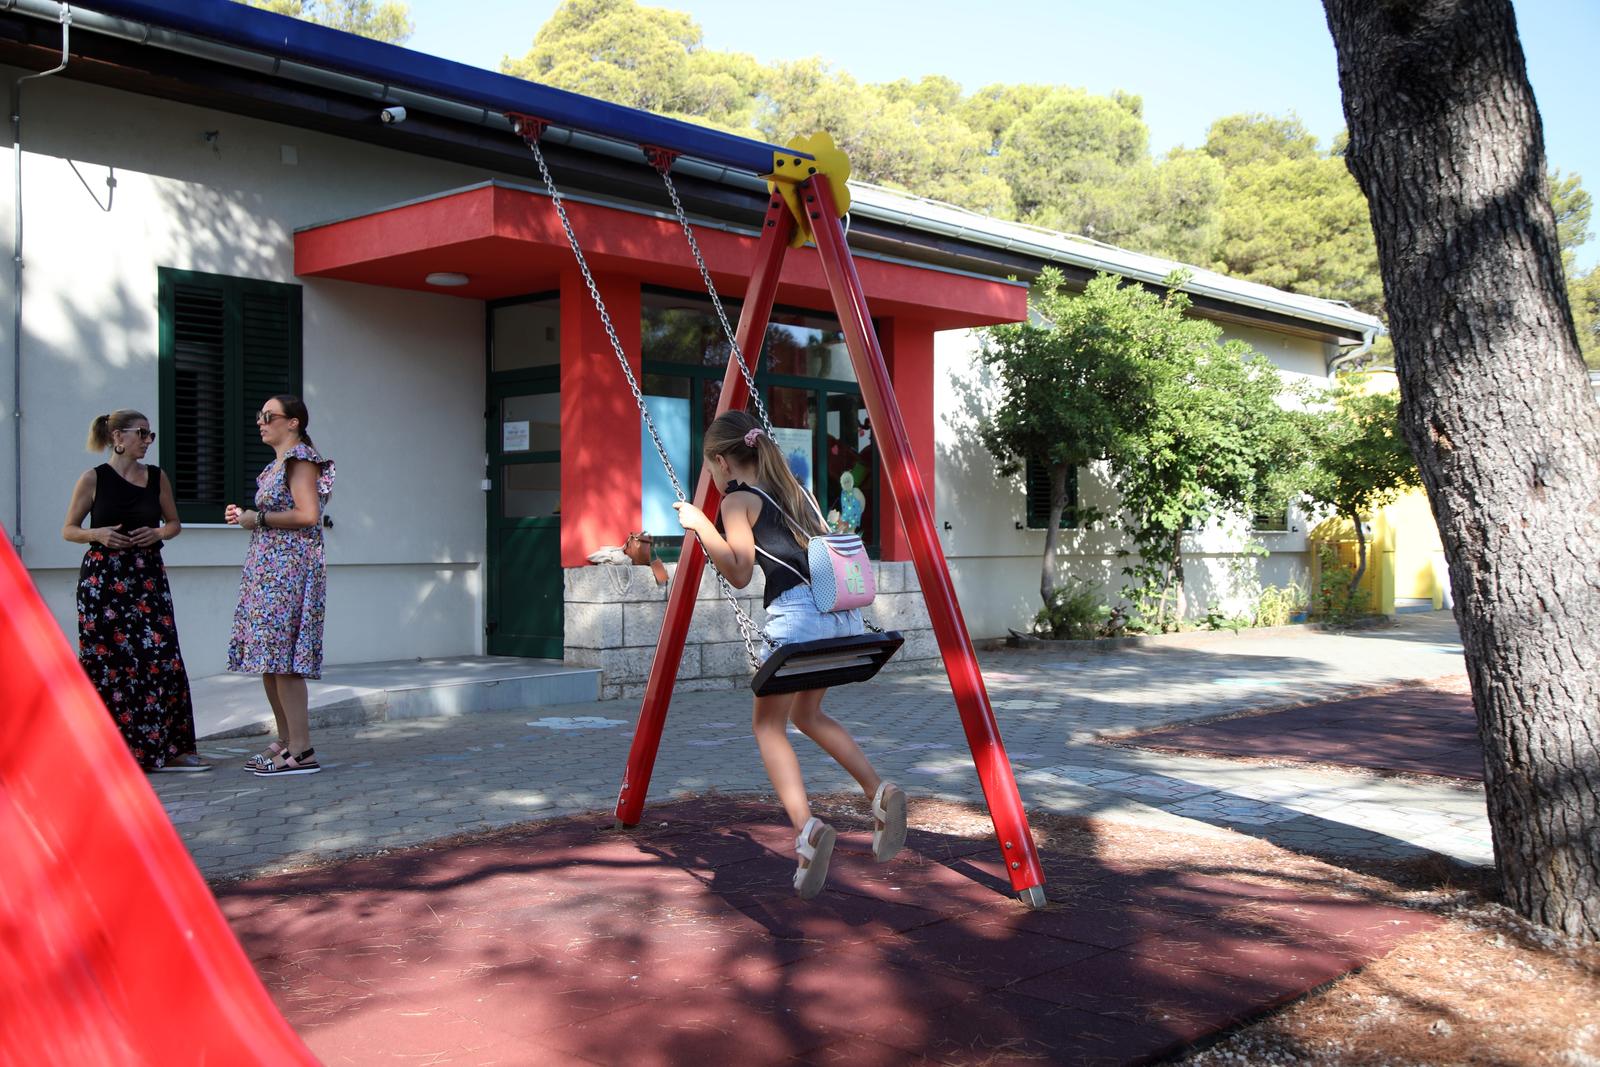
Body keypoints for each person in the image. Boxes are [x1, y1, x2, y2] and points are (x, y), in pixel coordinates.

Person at [674, 410, 907, 900]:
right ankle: (877, 792)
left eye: (710, 468)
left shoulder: (737, 499)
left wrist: (700, 525)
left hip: (796, 617)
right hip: (837, 613)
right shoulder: (794, 490)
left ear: (721, 460)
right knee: (809, 712)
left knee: (767, 726)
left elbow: (738, 572)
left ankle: (807, 829)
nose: (712, 478)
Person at [62, 409, 209, 773]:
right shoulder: (92, 479)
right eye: (141, 433)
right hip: (104, 582)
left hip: (147, 579)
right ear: (117, 437)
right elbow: (68, 529)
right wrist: (96, 534)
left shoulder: (157, 478)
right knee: (107, 662)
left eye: (150, 435)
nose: (147, 440)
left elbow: (174, 523)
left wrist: (158, 533)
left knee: (161, 657)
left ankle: (172, 749)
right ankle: (107, 751)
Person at [225, 395, 335, 777]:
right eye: (259, 415)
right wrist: (247, 517)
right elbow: (272, 515)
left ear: (294, 423)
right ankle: (287, 741)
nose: (261, 422)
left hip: (289, 572)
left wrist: (259, 519)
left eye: (269, 416)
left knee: (285, 661)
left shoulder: (299, 459)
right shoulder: (278, 463)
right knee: (270, 661)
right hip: (271, 570)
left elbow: (308, 514)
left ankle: (302, 750)